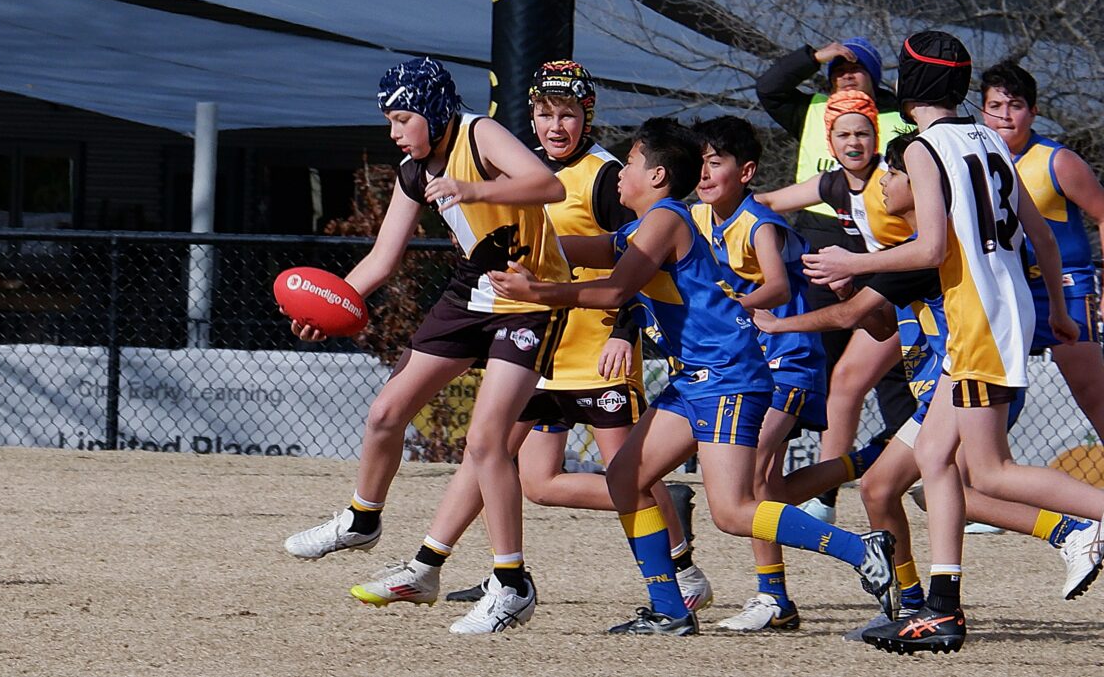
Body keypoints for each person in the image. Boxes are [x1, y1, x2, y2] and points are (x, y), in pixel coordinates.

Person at [490, 117, 897, 636]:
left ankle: (860, 549)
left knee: (732, 511)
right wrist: (522, 244)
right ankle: (669, 610)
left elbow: (614, 291)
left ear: (657, 175)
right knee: (624, 478)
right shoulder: (646, 226)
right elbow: (591, 247)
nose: (620, 173)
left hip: (728, 376)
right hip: (696, 380)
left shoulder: (666, 218)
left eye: (629, 162)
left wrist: (538, 292)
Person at [346, 61, 712, 620]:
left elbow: (640, 258)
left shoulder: (607, 176)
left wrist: (625, 329)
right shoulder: (516, 165)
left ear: (587, 117)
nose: (555, 126)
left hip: (594, 346)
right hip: (535, 336)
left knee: (628, 472)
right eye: (544, 114)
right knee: (505, 462)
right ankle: (428, 567)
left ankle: (681, 568)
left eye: (568, 114)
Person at [802, 31, 1104, 654]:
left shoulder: (924, 147)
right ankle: (941, 609)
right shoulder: (990, 139)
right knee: (935, 458)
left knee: (990, 470)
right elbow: (1043, 236)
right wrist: (1057, 310)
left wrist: (853, 262)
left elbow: (930, 248)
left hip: (978, 319)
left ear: (908, 84)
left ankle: (1087, 525)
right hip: (1002, 311)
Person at [280, 56, 570, 634]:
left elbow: (550, 184)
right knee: (385, 413)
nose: (393, 132)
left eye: (401, 119)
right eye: (389, 121)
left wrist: (472, 187)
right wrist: (328, 307)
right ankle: (362, 519)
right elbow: (382, 259)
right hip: (470, 292)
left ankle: (511, 585)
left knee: (485, 442)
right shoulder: (412, 171)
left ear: (434, 112)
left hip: (530, 296)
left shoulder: (478, 134)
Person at [688, 116, 880, 632]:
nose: (703, 173)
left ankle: (775, 593)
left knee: (750, 475)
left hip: (787, 360)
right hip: (747, 363)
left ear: (746, 171)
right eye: (699, 162)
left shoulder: (760, 223)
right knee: (766, 485)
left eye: (715, 163)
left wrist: (729, 309)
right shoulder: (698, 217)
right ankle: (866, 460)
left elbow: (775, 286)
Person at [757, 38, 918, 522]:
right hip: (893, 299)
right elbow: (770, 201)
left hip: (923, 297)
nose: (854, 142)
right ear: (830, 142)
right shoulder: (833, 183)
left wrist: (854, 268)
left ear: (877, 136)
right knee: (849, 383)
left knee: (897, 395)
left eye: (862, 133)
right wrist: (706, 209)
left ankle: (945, 483)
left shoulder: (893, 184)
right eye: (844, 134)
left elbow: (928, 248)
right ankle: (831, 494)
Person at [980, 60, 1104, 438]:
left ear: (1033, 111)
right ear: (982, 111)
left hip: (1064, 288)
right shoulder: (975, 162)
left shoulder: (1057, 160)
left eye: (1015, 105)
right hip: (1004, 290)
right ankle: (980, 467)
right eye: (995, 106)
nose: (1005, 116)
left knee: (1093, 392)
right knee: (991, 394)